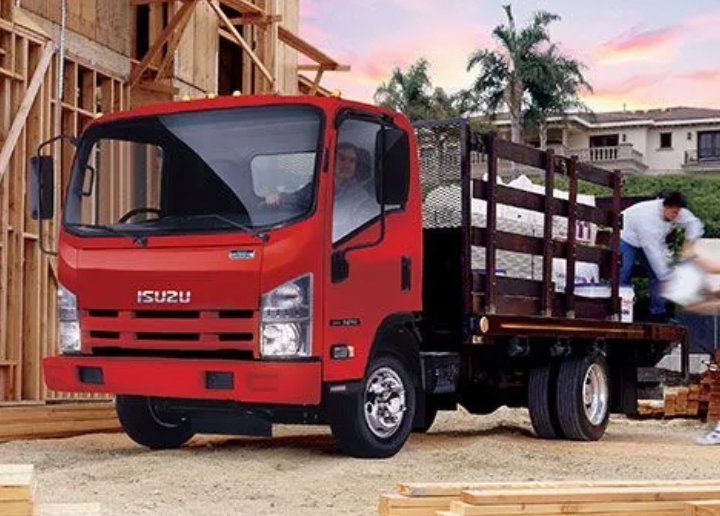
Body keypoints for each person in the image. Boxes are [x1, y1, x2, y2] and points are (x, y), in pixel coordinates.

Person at [265, 142, 379, 241]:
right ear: (330, 161)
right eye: (342, 159)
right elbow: (294, 199)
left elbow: (361, 234)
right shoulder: (314, 189)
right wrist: (276, 197)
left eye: (352, 161)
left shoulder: (362, 198)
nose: (347, 165)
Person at [620, 191, 704, 323]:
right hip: (625, 236)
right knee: (624, 269)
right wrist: (667, 276)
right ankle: (619, 311)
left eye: (678, 213)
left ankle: (657, 314)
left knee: (657, 275)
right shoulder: (647, 218)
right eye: (674, 213)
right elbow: (652, 252)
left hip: (649, 241)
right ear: (666, 207)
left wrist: (688, 244)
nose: (676, 216)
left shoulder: (677, 211)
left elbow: (695, 224)